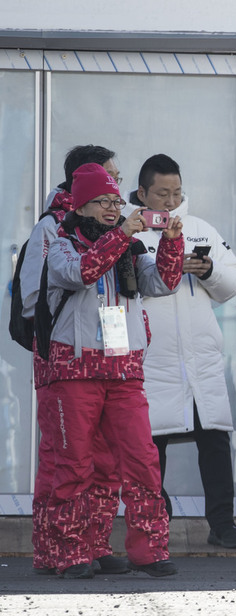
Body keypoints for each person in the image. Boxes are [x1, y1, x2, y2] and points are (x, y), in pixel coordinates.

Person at [41, 163, 183, 578]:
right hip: (75, 369)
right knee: (75, 465)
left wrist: (171, 245)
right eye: (102, 200)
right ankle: (71, 551)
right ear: (81, 203)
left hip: (125, 369)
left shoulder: (133, 248)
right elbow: (81, 273)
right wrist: (123, 234)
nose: (111, 207)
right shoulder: (62, 242)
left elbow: (164, 284)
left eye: (116, 201)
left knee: (142, 460)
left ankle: (150, 549)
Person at [18, 145, 130, 576]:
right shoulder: (51, 230)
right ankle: (57, 550)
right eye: (109, 180)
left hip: (108, 363)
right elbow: (33, 299)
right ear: (81, 182)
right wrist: (64, 338)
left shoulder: (116, 228)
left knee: (106, 461)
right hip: (65, 362)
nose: (115, 191)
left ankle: (94, 543)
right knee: (65, 460)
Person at [130, 154, 236, 549]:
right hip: (153, 356)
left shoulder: (199, 229)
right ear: (142, 192)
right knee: (153, 443)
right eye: (162, 193)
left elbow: (233, 284)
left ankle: (222, 524)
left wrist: (209, 269)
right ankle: (155, 522)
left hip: (201, 357)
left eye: (177, 191)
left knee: (214, 439)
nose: (170, 200)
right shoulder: (128, 232)